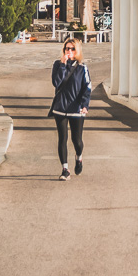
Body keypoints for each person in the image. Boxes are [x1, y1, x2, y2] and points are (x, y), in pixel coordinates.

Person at [49, 39, 91, 181]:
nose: (69, 51)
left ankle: (79, 158)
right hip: (60, 108)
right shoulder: (57, 65)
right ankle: (65, 169)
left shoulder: (82, 68)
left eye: (72, 49)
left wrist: (85, 105)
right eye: (67, 48)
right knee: (62, 139)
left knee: (77, 140)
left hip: (76, 109)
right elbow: (56, 82)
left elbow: (87, 88)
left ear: (77, 51)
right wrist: (62, 64)